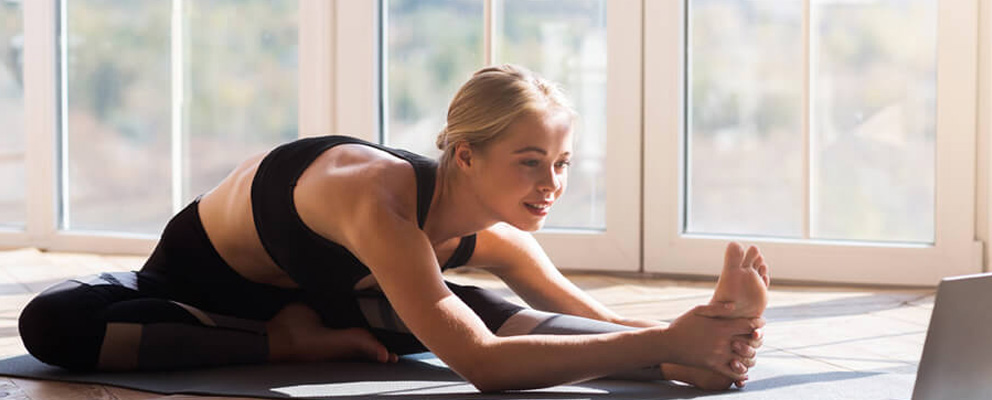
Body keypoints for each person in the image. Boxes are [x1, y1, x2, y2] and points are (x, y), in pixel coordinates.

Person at [18, 64, 771, 392]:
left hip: (345, 304)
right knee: (52, 323)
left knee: (485, 311)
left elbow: (588, 319)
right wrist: (668, 339)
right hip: (192, 298)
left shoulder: (499, 235)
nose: (552, 185)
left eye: (564, 164)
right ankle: (284, 341)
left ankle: (697, 363)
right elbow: (478, 367)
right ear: (466, 156)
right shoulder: (375, 201)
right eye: (531, 162)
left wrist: (691, 338)